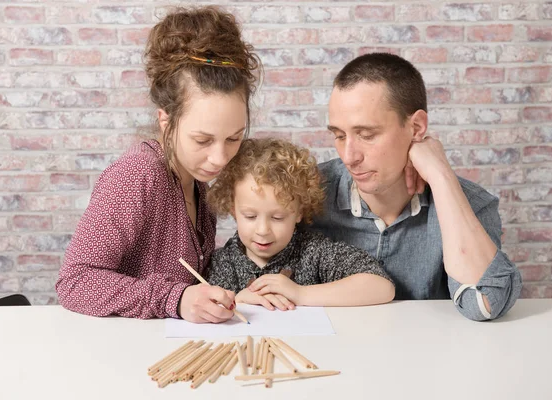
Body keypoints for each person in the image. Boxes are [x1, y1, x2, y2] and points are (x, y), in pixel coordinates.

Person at [55, 6, 261, 323]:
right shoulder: (138, 175)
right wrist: (175, 299)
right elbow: (75, 281)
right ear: (166, 121)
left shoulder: (195, 178)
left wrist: (237, 290)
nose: (220, 158)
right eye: (203, 140)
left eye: (233, 138)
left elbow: (193, 284)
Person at [312, 53, 522, 321]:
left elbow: (484, 304)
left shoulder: (470, 204)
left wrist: (441, 175)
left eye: (367, 135)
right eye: (339, 136)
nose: (349, 156)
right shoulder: (307, 194)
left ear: (416, 127)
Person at [205, 138, 395, 311]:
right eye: (250, 216)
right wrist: (238, 301)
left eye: (278, 217)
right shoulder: (222, 264)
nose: (263, 231)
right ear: (233, 210)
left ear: (299, 212)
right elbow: (206, 314)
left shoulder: (314, 252)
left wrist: (299, 293)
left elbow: (381, 286)